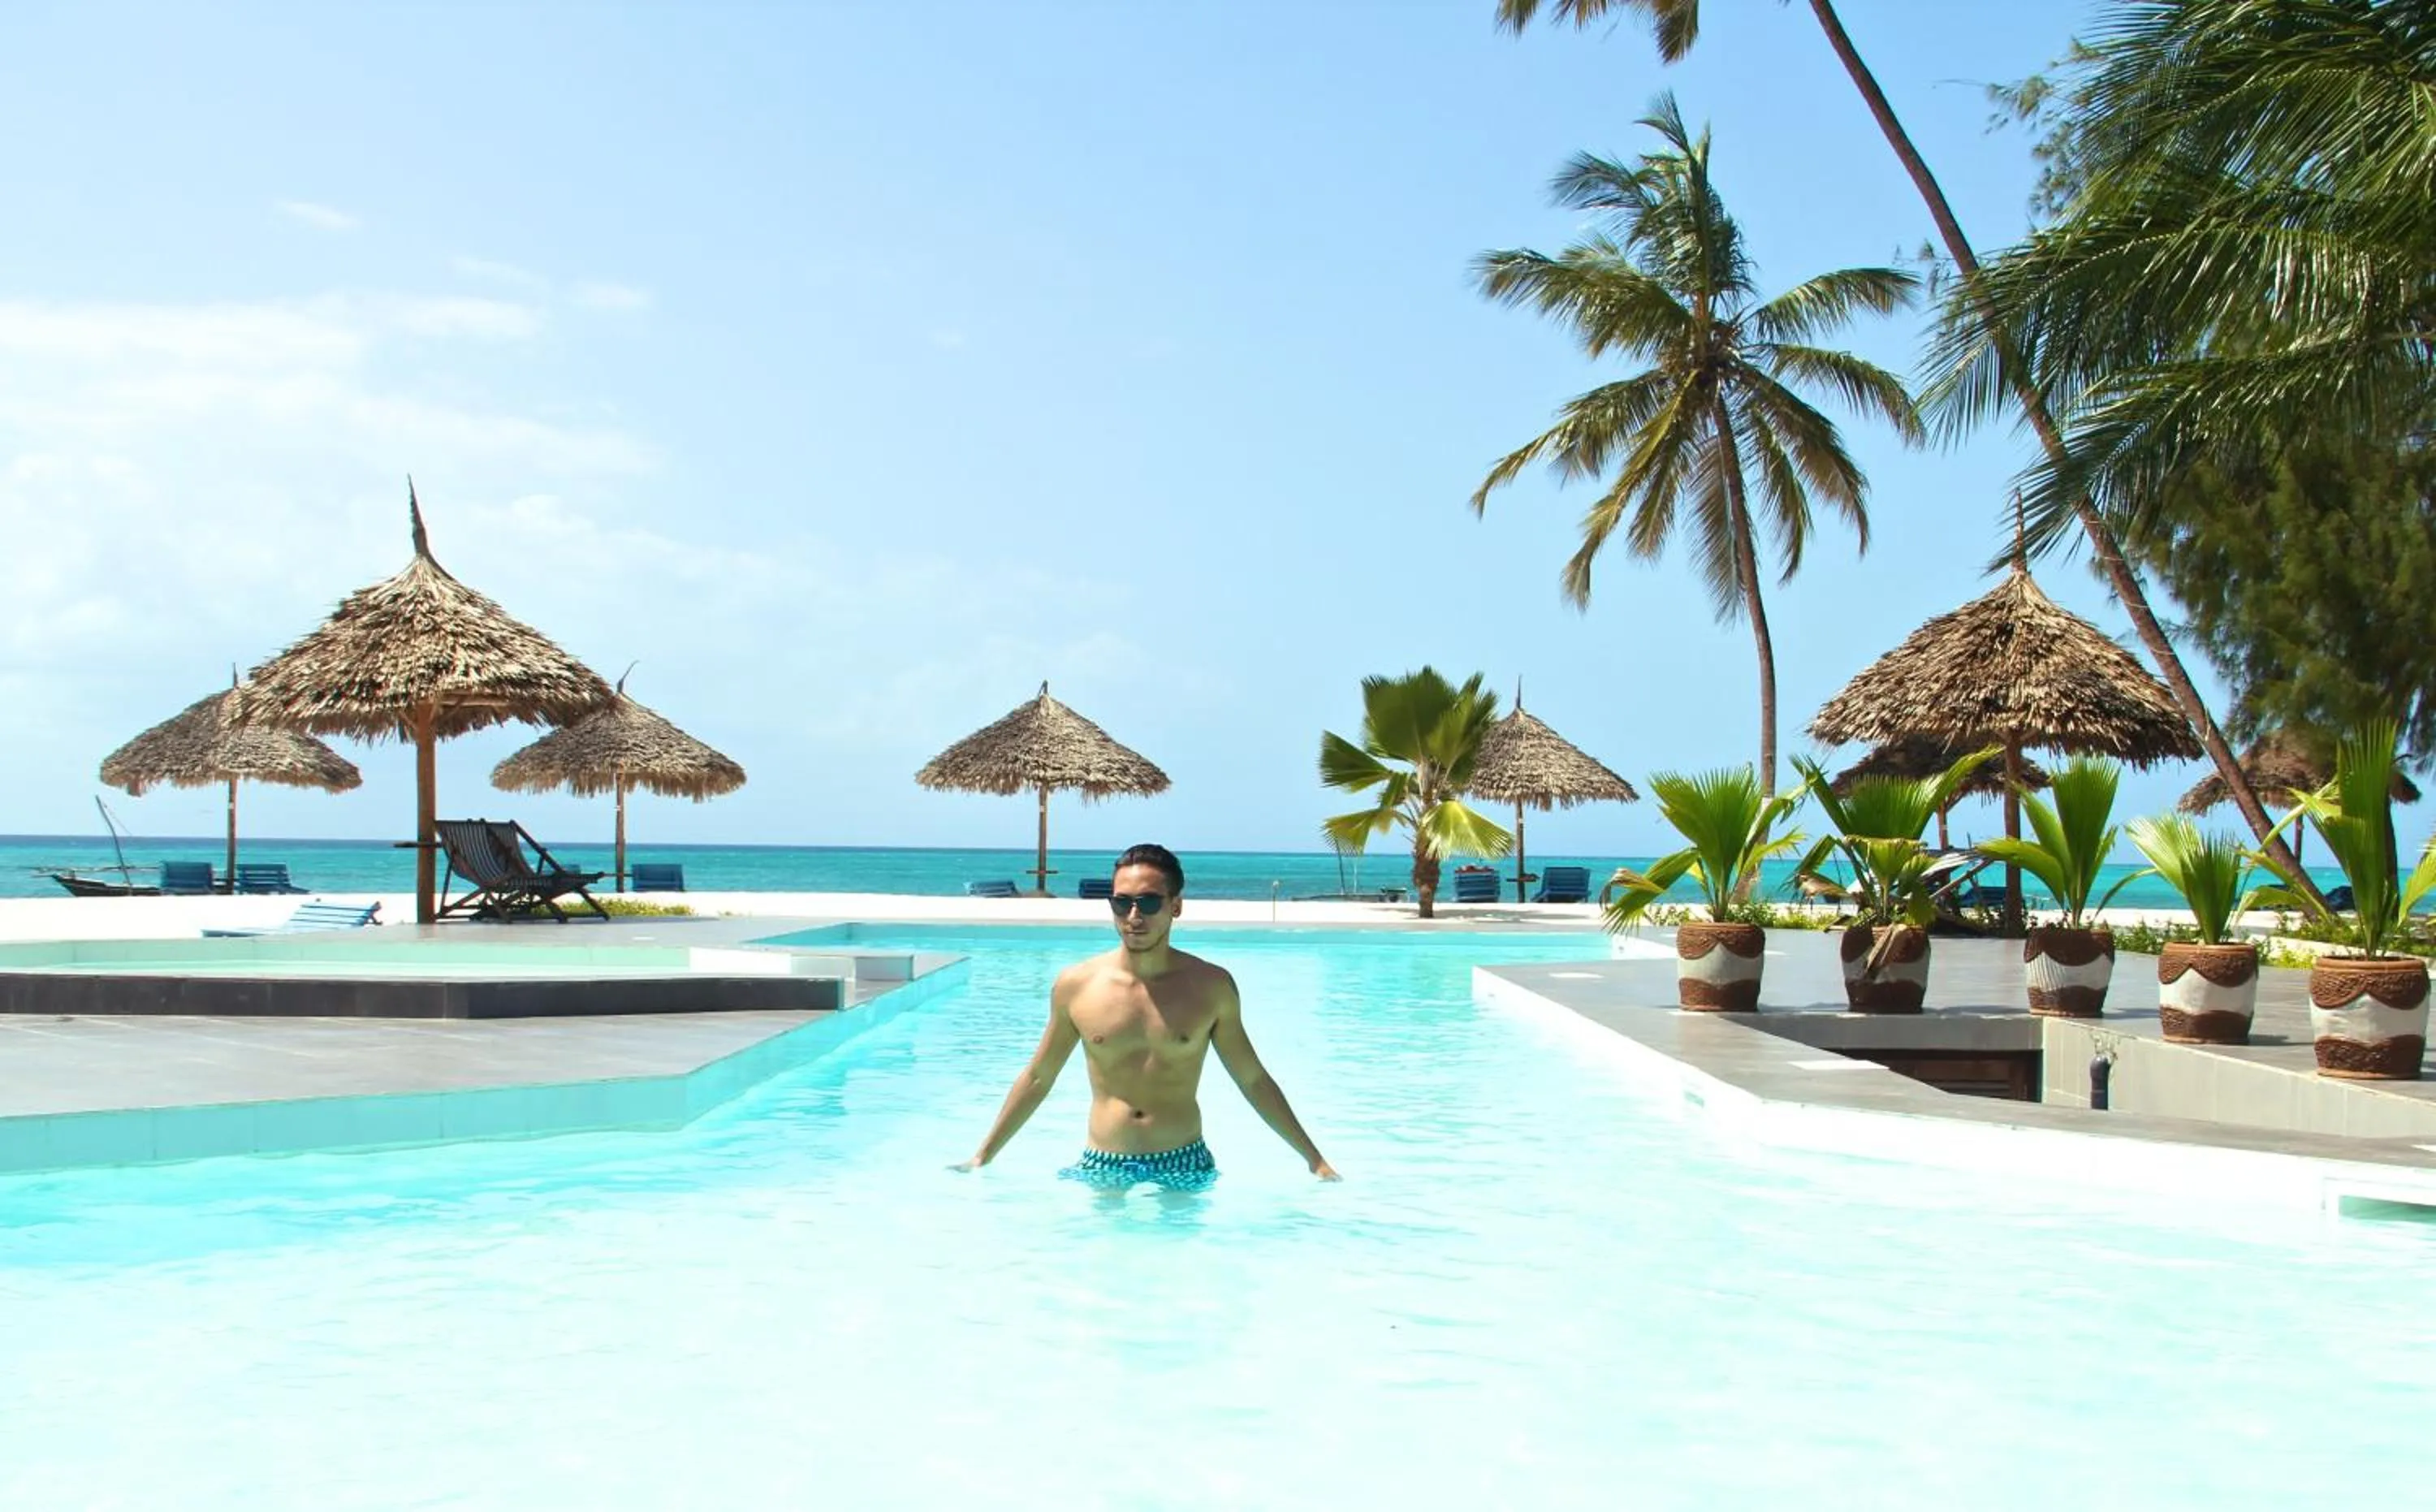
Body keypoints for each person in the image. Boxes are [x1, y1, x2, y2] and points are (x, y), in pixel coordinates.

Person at [952, 842, 1339, 1190]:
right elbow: (1039, 1076)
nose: (1134, 915)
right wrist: (983, 1155)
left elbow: (1252, 1079)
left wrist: (1314, 1159)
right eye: (1122, 902)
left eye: (1149, 902)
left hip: (1184, 1160)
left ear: (1176, 906)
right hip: (1104, 1160)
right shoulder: (1077, 985)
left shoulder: (1211, 986)